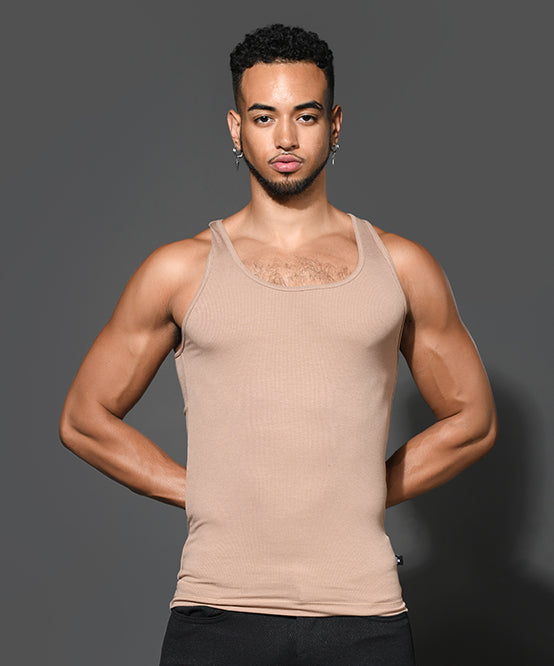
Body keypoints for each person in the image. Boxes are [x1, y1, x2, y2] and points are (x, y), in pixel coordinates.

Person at [59, 23, 498, 666]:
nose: (285, 138)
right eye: (264, 117)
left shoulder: (401, 267)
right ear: (236, 128)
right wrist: (203, 492)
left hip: (362, 615)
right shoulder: (178, 270)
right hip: (217, 612)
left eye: (306, 116)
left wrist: (357, 490)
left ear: (335, 125)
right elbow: (83, 420)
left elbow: (473, 422)